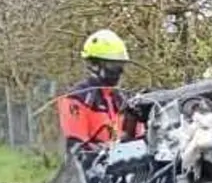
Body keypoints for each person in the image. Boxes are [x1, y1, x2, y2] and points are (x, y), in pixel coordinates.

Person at [55, 29, 149, 158]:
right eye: (113, 64)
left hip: (124, 167)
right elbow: (77, 147)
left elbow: (137, 139)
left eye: (120, 64)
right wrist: (107, 150)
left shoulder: (121, 100)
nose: (119, 70)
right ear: (95, 64)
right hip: (92, 171)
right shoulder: (76, 99)